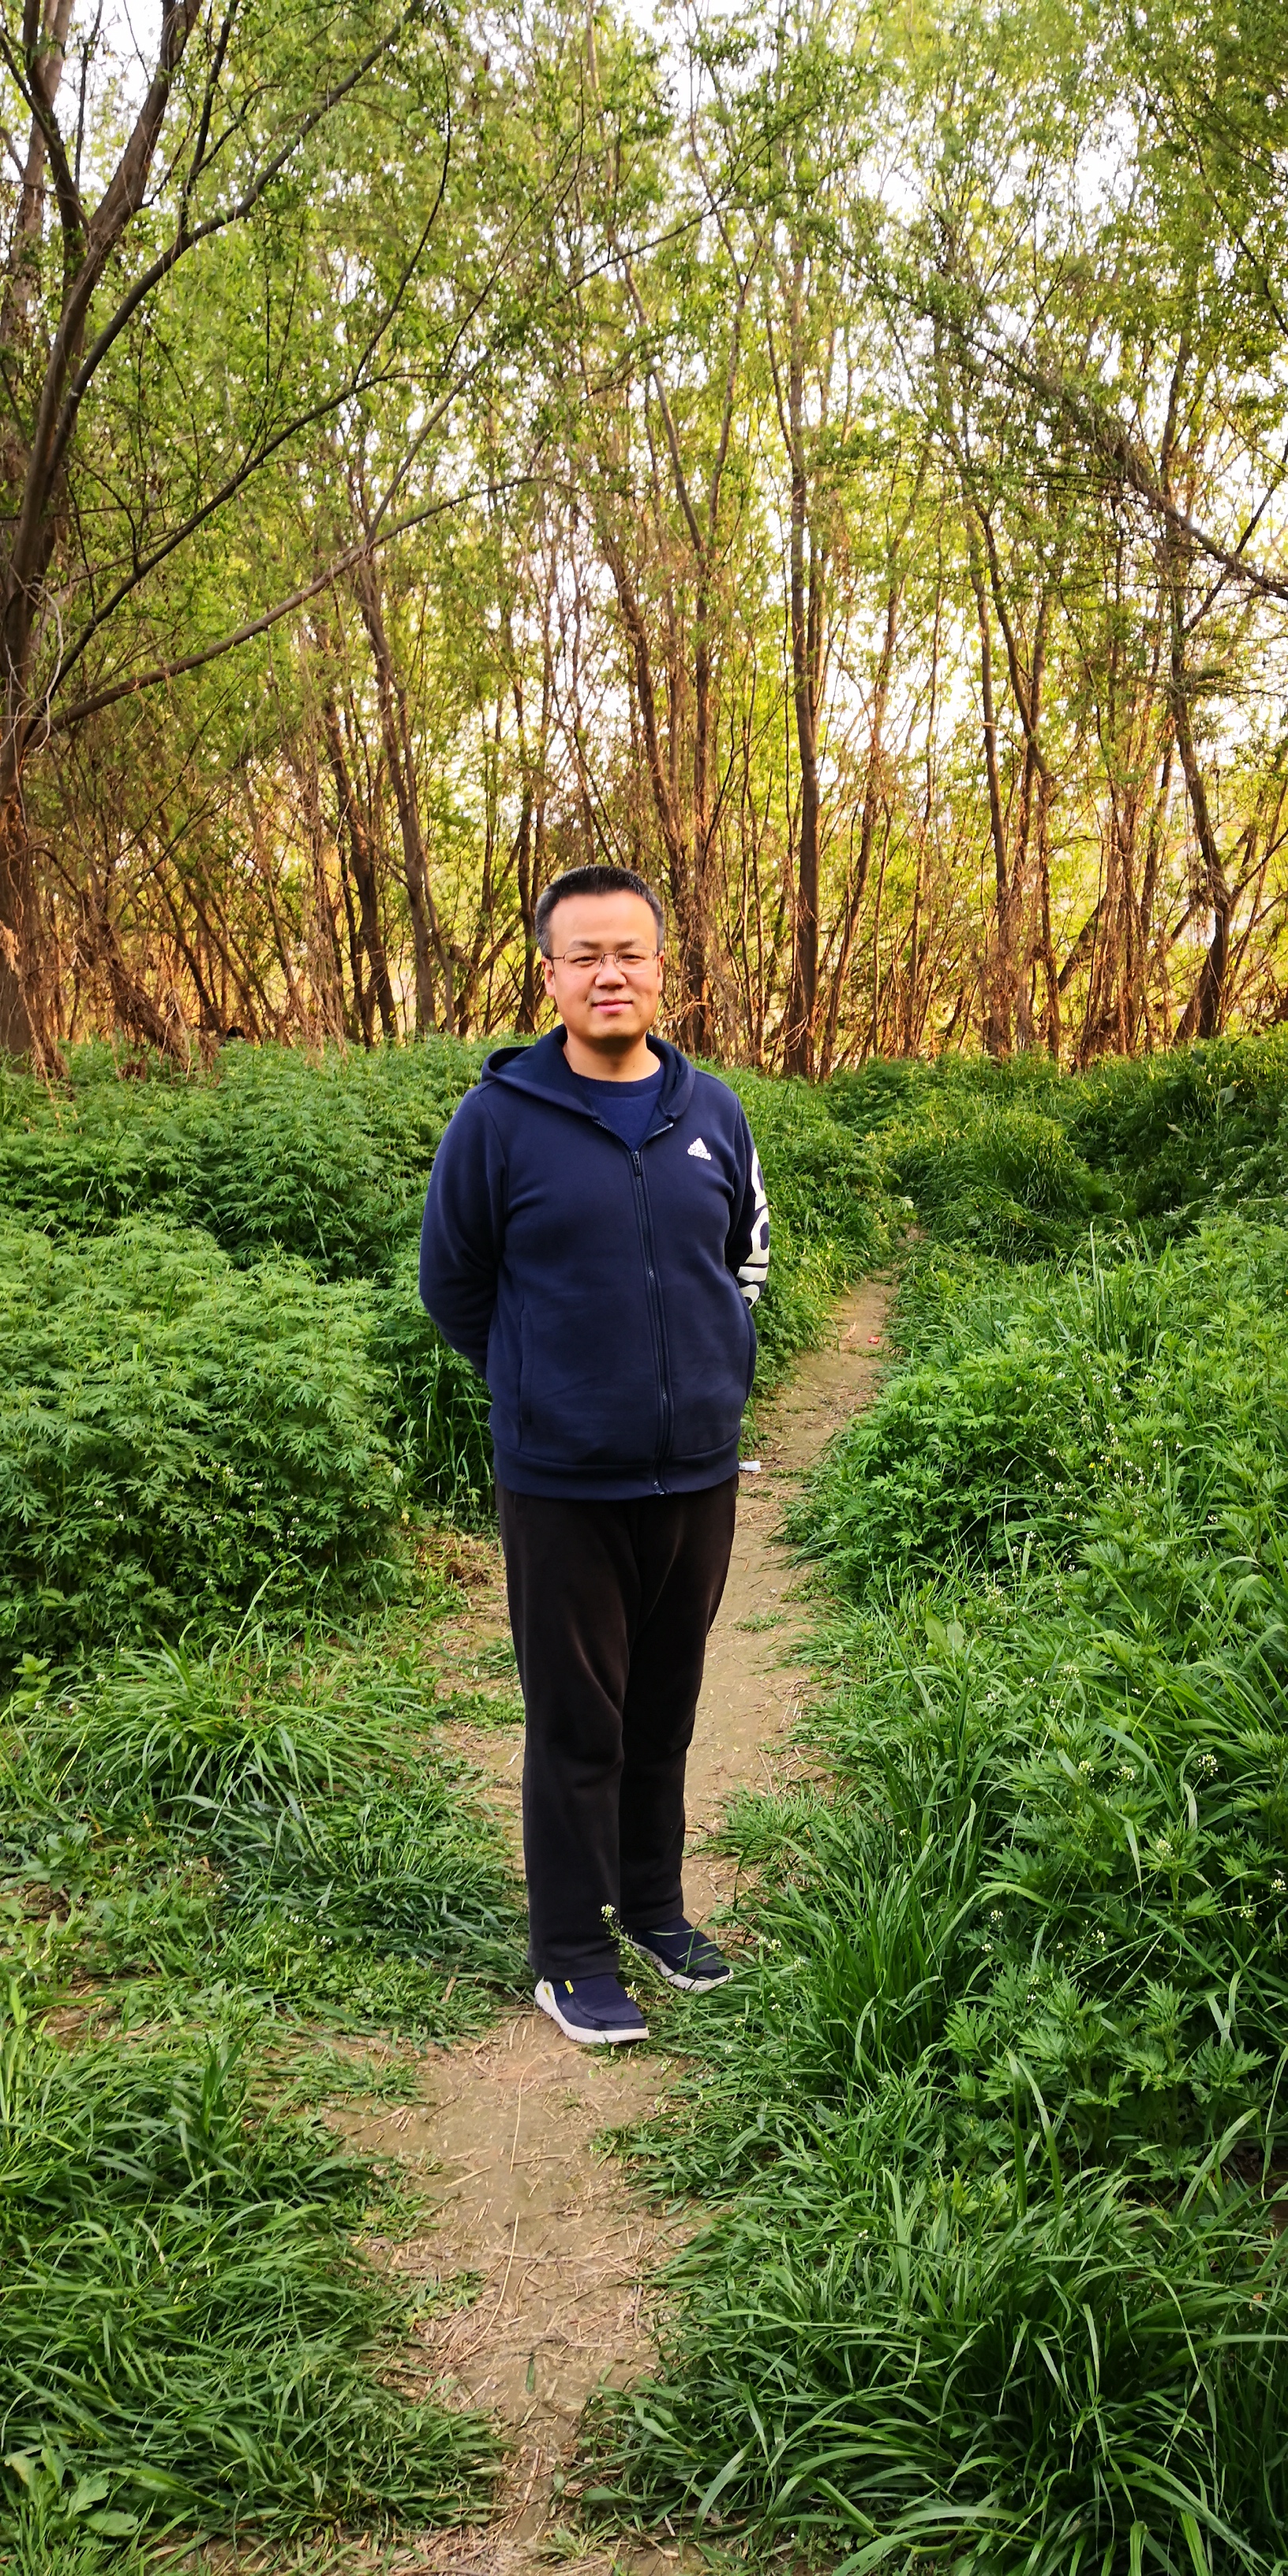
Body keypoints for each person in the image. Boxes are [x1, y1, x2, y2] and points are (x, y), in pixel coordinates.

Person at [419, 864, 769, 2046]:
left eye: (630, 953)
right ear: (551, 976)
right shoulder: (497, 1122)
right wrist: (544, 1388)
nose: (609, 974)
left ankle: (656, 1911)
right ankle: (570, 1954)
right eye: (585, 956)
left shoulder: (712, 1112)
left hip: (697, 1474)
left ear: (663, 968)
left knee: (665, 1709)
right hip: (562, 1482)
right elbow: (454, 1283)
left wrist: (714, 1373)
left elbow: (744, 1258)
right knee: (578, 1724)